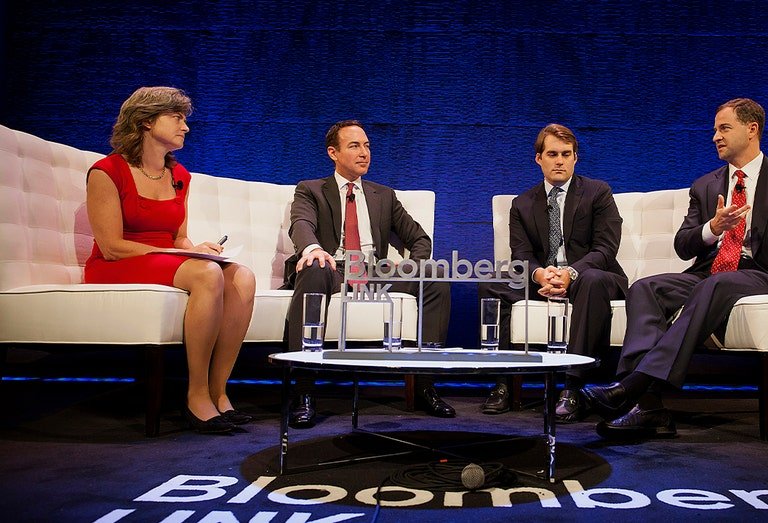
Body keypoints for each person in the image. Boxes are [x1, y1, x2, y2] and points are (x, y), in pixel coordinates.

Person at [582, 98, 768, 439]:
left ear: (752, 129)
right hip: (712, 271)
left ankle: (632, 385)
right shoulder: (706, 185)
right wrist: (712, 227)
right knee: (645, 287)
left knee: (716, 285)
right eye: (715, 130)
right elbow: (683, 245)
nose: (715, 136)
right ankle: (651, 407)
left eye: (724, 128)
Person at [84, 86, 256, 434]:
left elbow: (178, 238)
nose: (185, 127)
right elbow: (111, 245)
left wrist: (196, 249)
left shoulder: (180, 176)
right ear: (147, 121)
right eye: (177, 118)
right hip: (117, 263)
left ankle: (218, 392)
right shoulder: (106, 171)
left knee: (243, 277)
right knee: (208, 275)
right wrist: (183, 256)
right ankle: (195, 396)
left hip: (164, 259)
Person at [283, 120, 454, 427]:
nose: (364, 153)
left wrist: (411, 265)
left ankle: (426, 386)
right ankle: (304, 391)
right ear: (333, 153)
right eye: (354, 146)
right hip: (331, 268)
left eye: (367, 146)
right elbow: (302, 225)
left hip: (373, 271)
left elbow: (419, 239)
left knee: (435, 277)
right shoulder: (311, 190)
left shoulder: (383, 196)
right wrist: (311, 249)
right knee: (313, 267)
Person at [478, 123, 629, 422]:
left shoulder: (598, 193)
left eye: (566, 154)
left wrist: (570, 273)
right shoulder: (522, 204)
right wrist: (540, 276)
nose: (559, 160)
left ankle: (572, 387)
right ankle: (502, 383)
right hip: (545, 278)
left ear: (576, 158)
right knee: (490, 286)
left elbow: (605, 249)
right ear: (539, 159)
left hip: (592, 275)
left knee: (591, 279)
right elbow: (520, 255)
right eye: (552, 154)